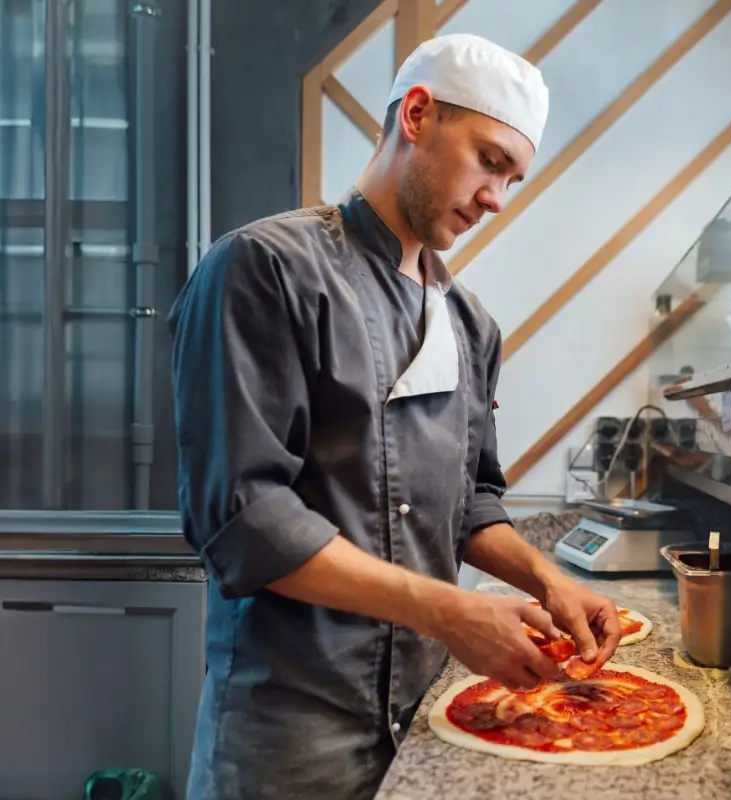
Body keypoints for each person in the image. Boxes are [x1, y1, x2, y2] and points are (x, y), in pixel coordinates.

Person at [169, 33, 622, 799]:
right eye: (489, 161)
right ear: (416, 114)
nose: (496, 198)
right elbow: (244, 521)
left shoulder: (471, 324)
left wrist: (549, 579)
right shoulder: (266, 269)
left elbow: (471, 504)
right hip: (290, 735)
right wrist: (451, 613)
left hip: (423, 717)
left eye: (512, 178)